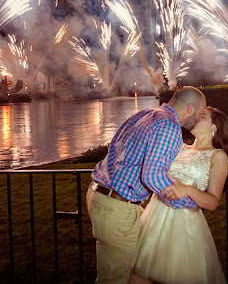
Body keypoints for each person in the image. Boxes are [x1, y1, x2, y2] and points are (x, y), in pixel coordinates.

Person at [87, 86, 207, 283]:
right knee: (116, 279)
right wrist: (189, 202)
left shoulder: (145, 115)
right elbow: (153, 175)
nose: (201, 118)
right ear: (190, 108)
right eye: (201, 113)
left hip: (100, 195)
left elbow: (115, 148)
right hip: (118, 207)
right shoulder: (169, 127)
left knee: (136, 263)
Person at [129, 107, 228, 284]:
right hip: (153, 218)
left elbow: (213, 202)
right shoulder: (178, 146)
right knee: (136, 277)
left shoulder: (218, 156)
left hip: (184, 227)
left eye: (203, 116)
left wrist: (188, 190)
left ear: (214, 127)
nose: (196, 117)